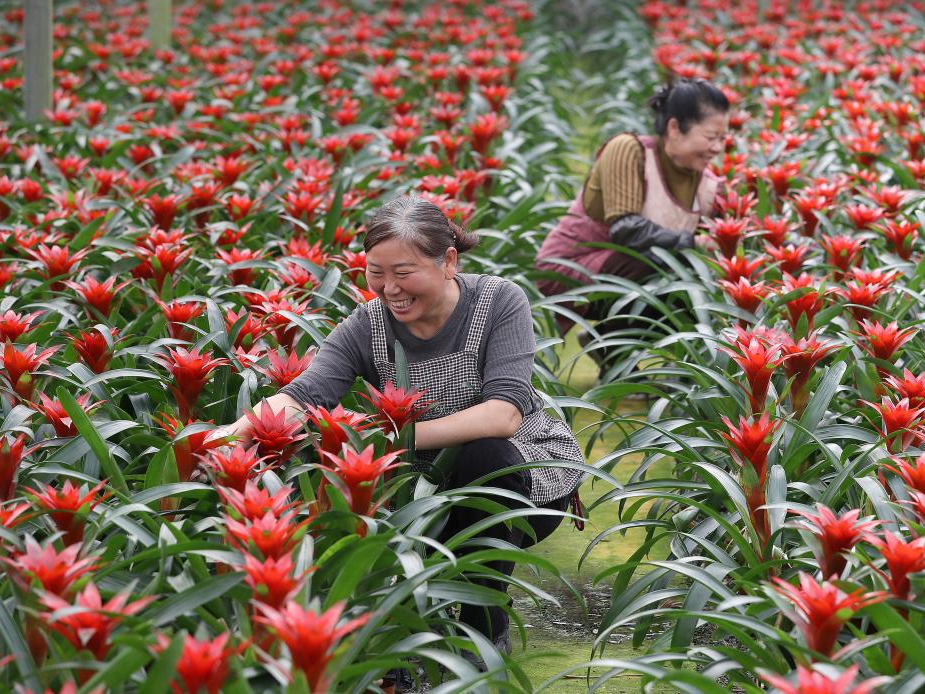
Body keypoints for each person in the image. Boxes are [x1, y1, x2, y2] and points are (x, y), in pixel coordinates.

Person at [219, 195, 585, 659]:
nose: (389, 288)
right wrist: (231, 435)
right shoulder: (368, 325)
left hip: (521, 480)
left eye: (404, 272)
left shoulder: (499, 301)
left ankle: (483, 625)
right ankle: (399, 640)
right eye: (376, 272)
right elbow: (304, 394)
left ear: (448, 261)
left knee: (483, 454)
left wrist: (391, 439)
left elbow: (503, 414)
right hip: (416, 488)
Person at [535, 77, 729, 338]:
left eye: (723, 139)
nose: (717, 148)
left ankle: (611, 341)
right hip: (572, 268)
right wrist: (695, 243)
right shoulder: (629, 150)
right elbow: (626, 230)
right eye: (710, 137)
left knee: (706, 283)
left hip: (627, 274)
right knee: (667, 264)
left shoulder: (708, 184)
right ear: (674, 128)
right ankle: (614, 349)